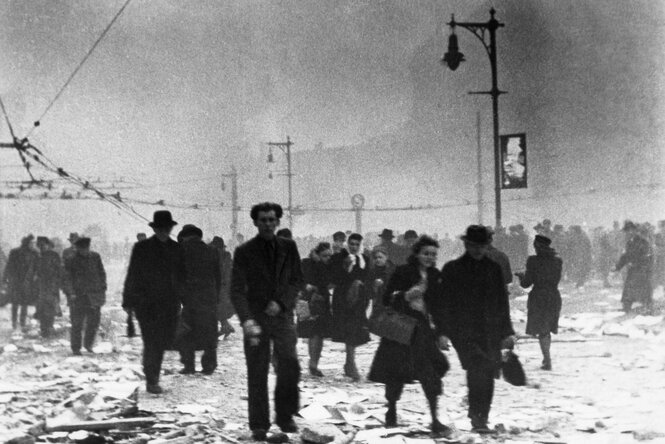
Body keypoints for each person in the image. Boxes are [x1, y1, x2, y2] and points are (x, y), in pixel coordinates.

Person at [231, 202, 303, 441]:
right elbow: (237, 290)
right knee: (258, 369)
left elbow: (296, 281)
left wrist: (281, 303)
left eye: (272, 220)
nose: (268, 224)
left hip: (282, 318)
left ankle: (285, 416)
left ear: (278, 221)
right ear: (255, 222)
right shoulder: (244, 252)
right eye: (263, 220)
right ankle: (259, 424)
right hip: (256, 319)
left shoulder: (289, 247)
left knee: (289, 365)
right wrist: (246, 320)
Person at [368, 236, 452, 436]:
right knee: (396, 372)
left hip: (423, 331)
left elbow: (440, 307)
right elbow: (387, 298)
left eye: (433, 254)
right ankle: (392, 411)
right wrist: (406, 295)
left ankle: (434, 419)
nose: (430, 258)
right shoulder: (403, 271)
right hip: (401, 329)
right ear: (417, 254)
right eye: (426, 253)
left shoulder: (435, 275)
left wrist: (442, 333)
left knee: (431, 371)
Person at [440, 225, 515, 433]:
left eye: (482, 246)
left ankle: (482, 415)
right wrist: (443, 332)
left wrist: (508, 332)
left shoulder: (493, 268)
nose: (478, 250)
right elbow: (444, 303)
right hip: (463, 331)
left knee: (489, 371)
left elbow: (502, 302)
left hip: (490, 330)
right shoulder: (452, 269)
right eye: (474, 246)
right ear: (466, 244)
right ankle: (477, 417)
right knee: (477, 368)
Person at [123, 210, 185, 394]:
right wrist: (128, 301)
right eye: (160, 228)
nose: (163, 232)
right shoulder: (141, 248)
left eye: (166, 228)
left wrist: (184, 299)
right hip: (146, 303)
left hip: (169, 304)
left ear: (170, 228)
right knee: (152, 341)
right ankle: (152, 378)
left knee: (163, 340)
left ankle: (150, 371)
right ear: (155, 229)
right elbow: (132, 274)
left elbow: (183, 276)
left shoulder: (177, 249)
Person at [178, 225, 221, 375]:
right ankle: (209, 365)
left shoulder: (181, 250)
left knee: (187, 332)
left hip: (190, 298)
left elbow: (177, 277)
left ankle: (189, 365)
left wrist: (180, 297)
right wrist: (216, 297)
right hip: (208, 298)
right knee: (210, 332)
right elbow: (218, 276)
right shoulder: (212, 251)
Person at [515, 235, 562, 371]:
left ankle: (547, 360)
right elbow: (554, 278)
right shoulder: (558, 261)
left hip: (539, 297)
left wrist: (521, 276)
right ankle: (546, 358)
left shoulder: (533, 261)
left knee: (542, 329)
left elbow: (526, 283)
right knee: (546, 329)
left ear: (538, 247)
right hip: (553, 296)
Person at [330, 233, 371, 381]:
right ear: (347, 244)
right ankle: (351, 364)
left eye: (356, 244)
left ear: (360, 245)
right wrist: (345, 266)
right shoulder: (338, 258)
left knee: (355, 330)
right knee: (349, 329)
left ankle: (349, 363)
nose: (354, 247)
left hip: (359, 299)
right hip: (342, 299)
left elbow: (367, 277)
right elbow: (334, 278)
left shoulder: (364, 259)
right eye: (351, 244)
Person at [63, 237, 107, 355]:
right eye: (82, 249)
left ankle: (88, 345)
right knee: (77, 323)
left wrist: (103, 287)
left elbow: (101, 273)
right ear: (78, 248)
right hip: (78, 296)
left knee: (93, 323)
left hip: (94, 295)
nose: (84, 251)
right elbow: (67, 278)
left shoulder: (95, 257)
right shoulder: (71, 259)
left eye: (86, 248)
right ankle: (76, 348)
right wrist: (71, 292)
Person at [298, 242, 334, 377]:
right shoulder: (306, 263)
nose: (328, 258)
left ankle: (314, 364)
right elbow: (298, 278)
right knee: (312, 333)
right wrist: (306, 286)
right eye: (325, 255)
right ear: (317, 254)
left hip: (322, 301)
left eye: (329, 255)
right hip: (307, 301)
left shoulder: (328, 266)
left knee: (319, 334)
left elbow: (328, 281)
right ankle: (313, 364)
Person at [615, 221, 653, 313]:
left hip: (642, 270)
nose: (628, 233)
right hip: (633, 270)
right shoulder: (629, 243)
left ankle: (647, 307)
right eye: (626, 231)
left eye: (629, 231)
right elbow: (625, 256)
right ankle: (626, 306)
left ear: (634, 230)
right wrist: (618, 267)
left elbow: (647, 256)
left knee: (643, 289)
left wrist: (638, 264)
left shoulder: (643, 242)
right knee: (629, 288)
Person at [4, 235, 39, 331]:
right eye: (31, 243)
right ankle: (14, 323)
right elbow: (9, 266)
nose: (33, 244)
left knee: (25, 303)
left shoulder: (34, 253)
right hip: (16, 281)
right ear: (26, 243)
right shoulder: (15, 252)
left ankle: (22, 322)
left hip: (28, 282)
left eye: (34, 243)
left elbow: (37, 267)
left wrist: (36, 277)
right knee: (15, 303)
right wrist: (5, 279)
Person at [33, 237, 63, 338]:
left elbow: (59, 270)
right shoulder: (38, 257)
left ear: (48, 245)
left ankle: (48, 329)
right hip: (40, 286)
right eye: (39, 245)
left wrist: (56, 282)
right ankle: (44, 330)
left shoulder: (54, 256)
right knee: (41, 308)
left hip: (51, 286)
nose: (41, 247)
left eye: (43, 245)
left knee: (50, 308)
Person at [210, 236, 235, 339]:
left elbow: (224, 274)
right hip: (223, 288)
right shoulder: (225, 257)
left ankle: (226, 328)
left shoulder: (222, 257)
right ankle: (226, 327)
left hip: (222, 288)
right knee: (219, 310)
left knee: (218, 310)